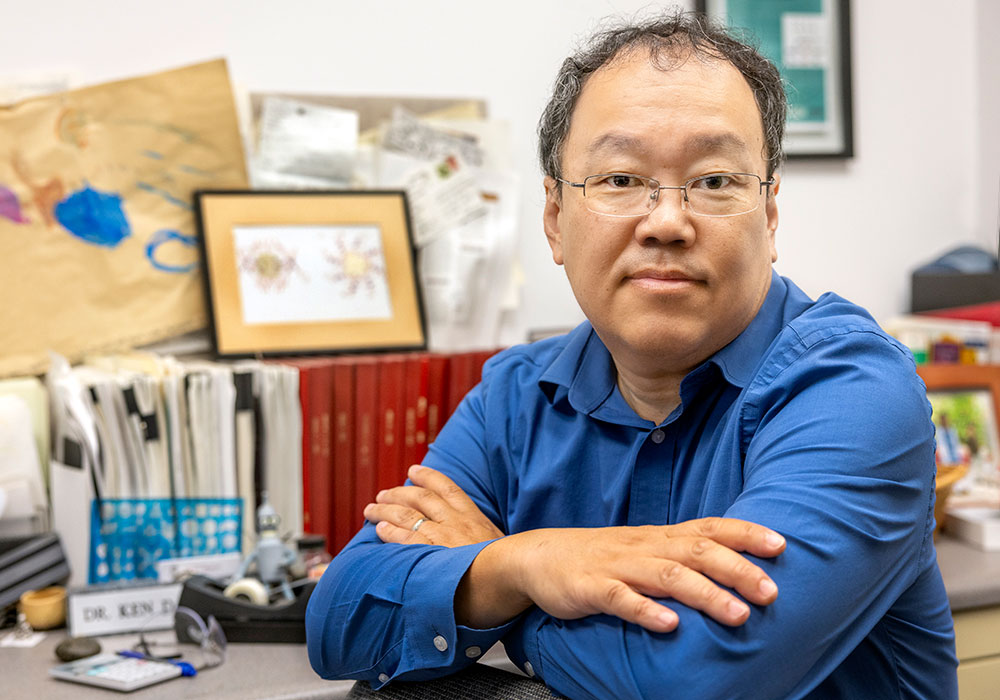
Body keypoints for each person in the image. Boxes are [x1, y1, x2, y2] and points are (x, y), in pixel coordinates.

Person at [306, 12, 958, 699]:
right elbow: (340, 623)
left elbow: (694, 678)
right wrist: (527, 561)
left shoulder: (852, 390)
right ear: (556, 219)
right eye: (620, 179)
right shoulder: (516, 396)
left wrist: (501, 589)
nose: (668, 222)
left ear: (768, 217)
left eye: (714, 181)